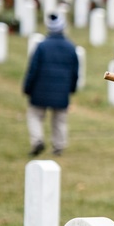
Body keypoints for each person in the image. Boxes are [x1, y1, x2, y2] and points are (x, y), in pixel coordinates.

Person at [23, 12, 80, 157]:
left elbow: (32, 69)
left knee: (35, 115)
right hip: (61, 90)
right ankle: (58, 146)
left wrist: (27, 88)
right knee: (59, 119)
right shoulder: (70, 47)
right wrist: (72, 89)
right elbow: (75, 72)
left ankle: (37, 140)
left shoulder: (42, 46)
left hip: (40, 89)